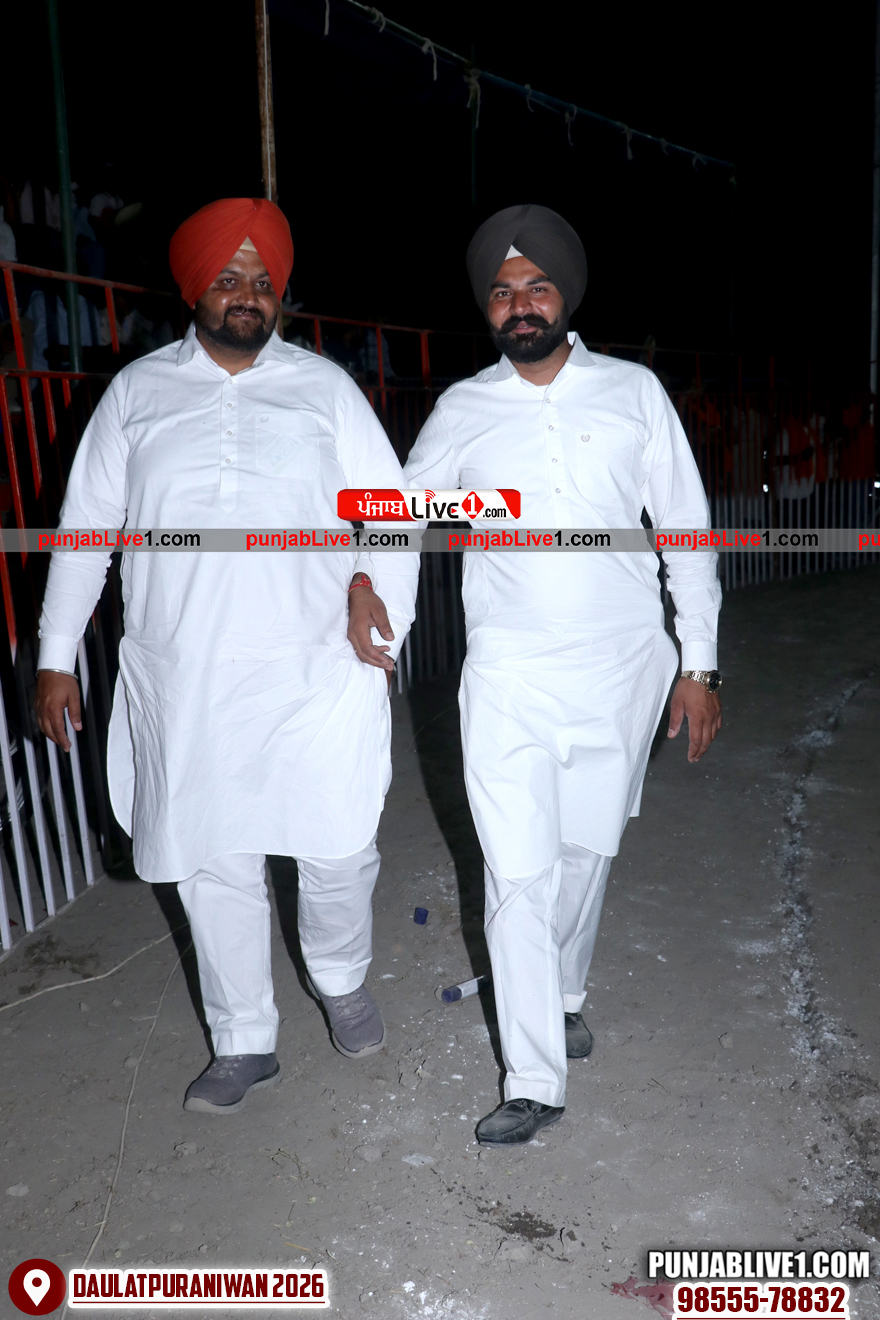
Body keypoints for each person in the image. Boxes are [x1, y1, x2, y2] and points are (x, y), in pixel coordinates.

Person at [35, 197, 419, 1115]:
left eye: (262, 281)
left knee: (337, 846)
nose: (247, 294)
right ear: (194, 290)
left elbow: (392, 513)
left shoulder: (325, 389)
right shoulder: (136, 394)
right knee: (215, 859)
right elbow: (85, 534)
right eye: (228, 278)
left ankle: (340, 977)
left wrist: (371, 588)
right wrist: (55, 657)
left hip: (315, 668)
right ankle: (244, 1038)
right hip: (189, 673)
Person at [403, 204, 722, 1146]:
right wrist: (373, 584)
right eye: (503, 292)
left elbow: (687, 532)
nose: (520, 305)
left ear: (565, 296)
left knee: (586, 853)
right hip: (508, 673)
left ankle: (565, 991)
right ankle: (533, 1076)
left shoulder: (633, 393)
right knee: (518, 874)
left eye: (536, 287)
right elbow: (397, 511)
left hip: (624, 670)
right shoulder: (463, 409)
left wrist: (701, 666)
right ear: (488, 309)